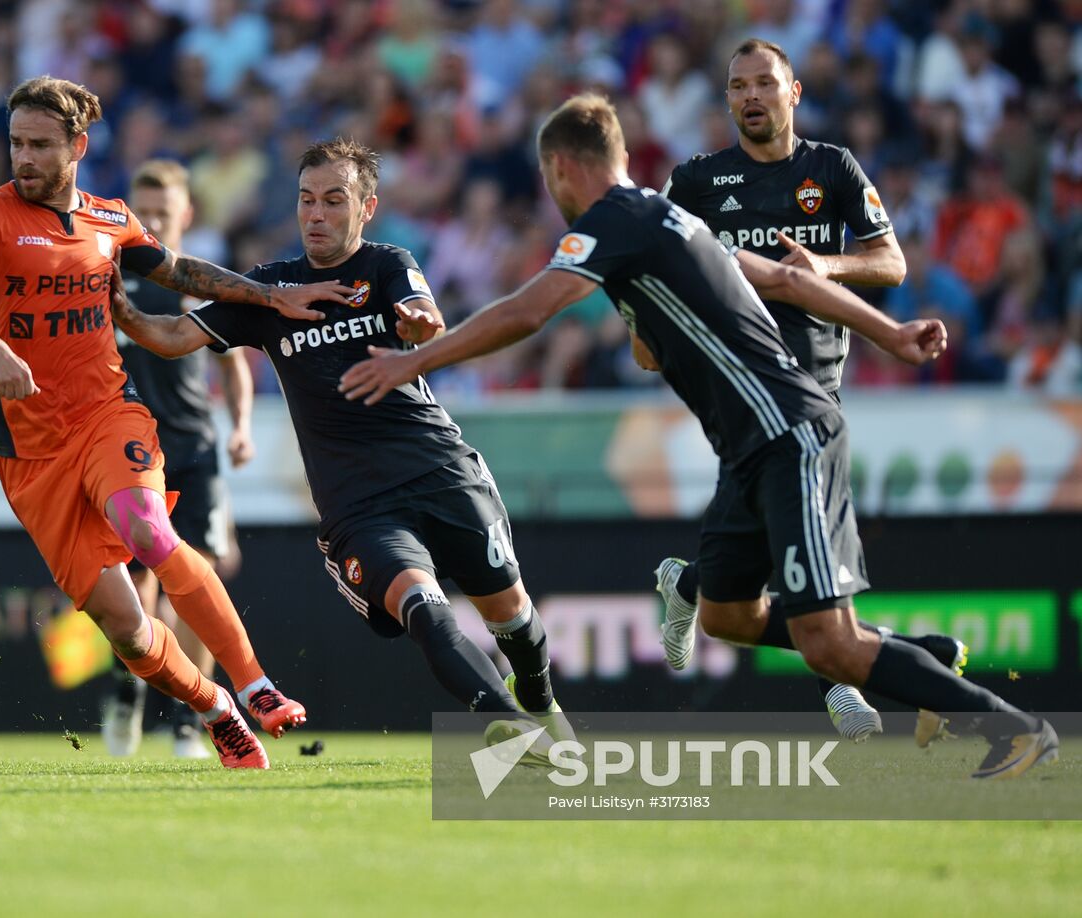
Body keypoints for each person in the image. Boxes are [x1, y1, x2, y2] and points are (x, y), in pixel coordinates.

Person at [340, 94, 1057, 780]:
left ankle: (1010, 728)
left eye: (549, 177)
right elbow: (785, 279)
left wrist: (416, 361)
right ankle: (914, 656)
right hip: (751, 450)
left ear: (562, 167)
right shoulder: (666, 220)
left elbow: (531, 312)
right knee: (728, 614)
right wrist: (891, 331)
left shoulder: (614, 220)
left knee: (829, 641)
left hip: (787, 431)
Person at [0, 76, 356, 769]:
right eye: (15, 144)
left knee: (149, 530)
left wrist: (269, 295)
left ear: (78, 147)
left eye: (39, 145)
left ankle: (257, 683)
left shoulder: (110, 219)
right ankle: (213, 706)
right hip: (29, 455)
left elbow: (178, 270)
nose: (22, 158)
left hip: (105, 417)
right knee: (124, 626)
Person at [108, 138, 569, 755]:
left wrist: (421, 325)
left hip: (440, 470)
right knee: (425, 612)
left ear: (366, 207)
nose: (316, 214)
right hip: (361, 505)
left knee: (511, 615)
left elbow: (420, 307)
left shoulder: (385, 265)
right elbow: (170, 336)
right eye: (306, 200)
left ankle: (539, 698)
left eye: (333, 200)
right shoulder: (271, 289)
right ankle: (515, 732)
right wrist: (124, 313)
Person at [657, 38, 962, 741]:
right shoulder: (698, 182)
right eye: (738, 87)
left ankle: (689, 585)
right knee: (801, 542)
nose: (751, 96)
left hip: (819, 385)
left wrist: (821, 265)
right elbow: (647, 261)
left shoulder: (833, 169)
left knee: (735, 603)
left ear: (794, 93)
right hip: (741, 391)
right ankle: (856, 681)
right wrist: (650, 335)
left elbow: (890, 261)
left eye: (766, 83)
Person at [100, 158, 256, 760]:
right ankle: (125, 686)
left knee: (199, 581)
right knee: (137, 587)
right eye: (146, 213)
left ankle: (193, 720)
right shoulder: (105, 274)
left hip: (193, 450)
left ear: (186, 213)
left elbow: (232, 361)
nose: (156, 221)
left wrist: (241, 426)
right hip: (127, 453)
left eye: (165, 211)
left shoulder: (198, 281)